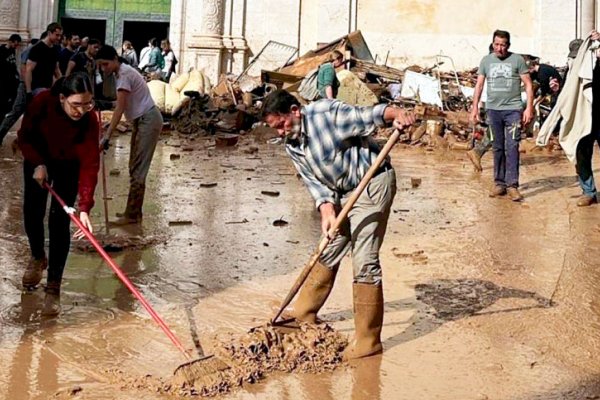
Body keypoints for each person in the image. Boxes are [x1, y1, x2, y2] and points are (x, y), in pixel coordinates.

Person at [261, 89, 416, 360]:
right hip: (344, 194)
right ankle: (305, 313)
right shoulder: (291, 143)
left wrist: (397, 114)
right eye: (275, 129)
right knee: (328, 249)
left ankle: (368, 341)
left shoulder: (326, 115)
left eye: (282, 125)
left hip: (372, 184)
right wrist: (326, 210)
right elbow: (314, 182)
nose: (280, 132)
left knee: (364, 259)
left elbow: (370, 115)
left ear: (295, 111)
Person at [18, 72, 99, 316]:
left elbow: (90, 163)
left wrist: (84, 206)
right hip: (38, 158)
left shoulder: (89, 120)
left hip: (67, 165)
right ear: (62, 98)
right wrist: (37, 162)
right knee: (32, 211)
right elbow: (25, 136)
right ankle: (37, 256)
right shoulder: (41, 102)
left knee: (59, 220)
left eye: (87, 104)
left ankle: (53, 287)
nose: (81, 111)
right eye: (75, 105)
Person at [96, 45, 163, 224]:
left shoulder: (124, 74)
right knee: (134, 167)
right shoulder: (122, 73)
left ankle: (132, 215)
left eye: (105, 64)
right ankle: (133, 212)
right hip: (143, 120)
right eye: (100, 66)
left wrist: (107, 136)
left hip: (148, 120)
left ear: (114, 59)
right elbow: (121, 105)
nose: (104, 69)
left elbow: (120, 108)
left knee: (138, 170)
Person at [469, 29, 534, 201]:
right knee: (497, 146)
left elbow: (528, 84)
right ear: (492, 44)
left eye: (503, 45)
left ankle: (512, 185)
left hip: (513, 110)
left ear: (508, 45)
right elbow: (479, 85)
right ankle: (499, 184)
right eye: (497, 44)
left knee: (512, 147)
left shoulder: (517, 60)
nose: (500, 48)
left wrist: (528, 108)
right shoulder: (486, 61)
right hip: (493, 111)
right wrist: (475, 107)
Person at [26, 22, 63, 100]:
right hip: (37, 87)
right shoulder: (37, 48)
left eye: (60, 35)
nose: (59, 38)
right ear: (49, 33)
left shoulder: (55, 49)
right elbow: (29, 70)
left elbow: (56, 69)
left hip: (49, 87)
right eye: (57, 35)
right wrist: (28, 91)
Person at [0, 34, 22, 128]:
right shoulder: (1, 51)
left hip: (12, 81)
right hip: (4, 81)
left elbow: (13, 65)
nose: (16, 46)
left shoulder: (12, 51)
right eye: (15, 44)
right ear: (11, 41)